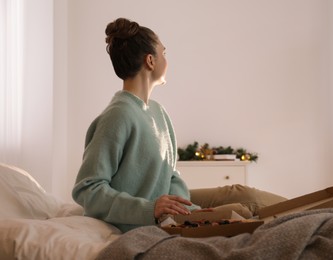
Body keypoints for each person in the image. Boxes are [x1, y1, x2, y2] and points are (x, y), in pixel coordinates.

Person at [72, 18, 286, 233]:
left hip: (169, 210)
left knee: (241, 193)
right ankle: (315, 218)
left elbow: (171, 175)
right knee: (247, 207)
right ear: (150, 61)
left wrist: (187, 210)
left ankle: (317, 213)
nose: (166, 59)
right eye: (163, 53)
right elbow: (87, 188)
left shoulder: (158, 112)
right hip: (143, 217)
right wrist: (150, 209)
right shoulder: (118, 116)